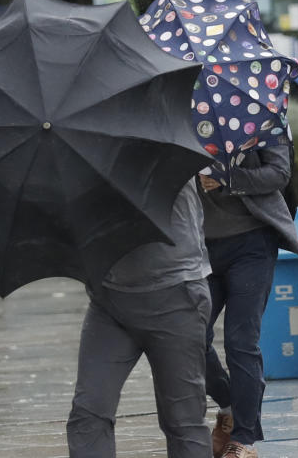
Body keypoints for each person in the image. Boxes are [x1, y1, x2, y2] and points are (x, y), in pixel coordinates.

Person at [66, 177, 213, 457]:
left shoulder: (167, 137)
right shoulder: (84, 151)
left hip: (176, 295)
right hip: (110, 302)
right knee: (89, 411)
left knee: (183, 419)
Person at [197, 145, 298, 458]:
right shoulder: (179, 114)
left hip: (252, 242)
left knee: (240, 340)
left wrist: (227, 177)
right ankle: (229, 405)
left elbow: (278, 173)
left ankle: (243, 439)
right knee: (188, 335)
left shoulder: (258, 112)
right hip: (200, 246)